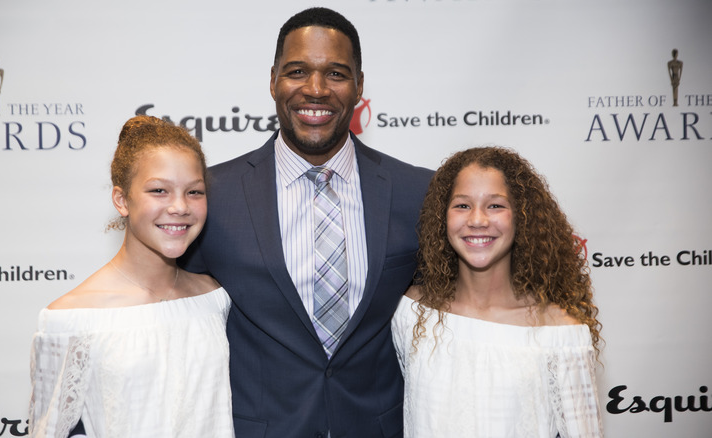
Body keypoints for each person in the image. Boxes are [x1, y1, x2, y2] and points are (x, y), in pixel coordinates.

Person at [179, 7, 433, 438]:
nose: (315, 90)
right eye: (298, 71)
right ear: (274, 79)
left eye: (336, 74)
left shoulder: (420, 193)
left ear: (359, 85)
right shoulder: (211, 195)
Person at [28, 115, 234, 437]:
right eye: (159, 190)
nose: (179, 206)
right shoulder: (70, 318)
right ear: (122, 200)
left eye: (194, 192)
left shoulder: (214, 299)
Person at [392, 146, 603, 437]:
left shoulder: (561, 333)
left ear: (522, 218)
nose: (477, 220)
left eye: (495, 206)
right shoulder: (412, 312)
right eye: (462, 205)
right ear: (442, 217)